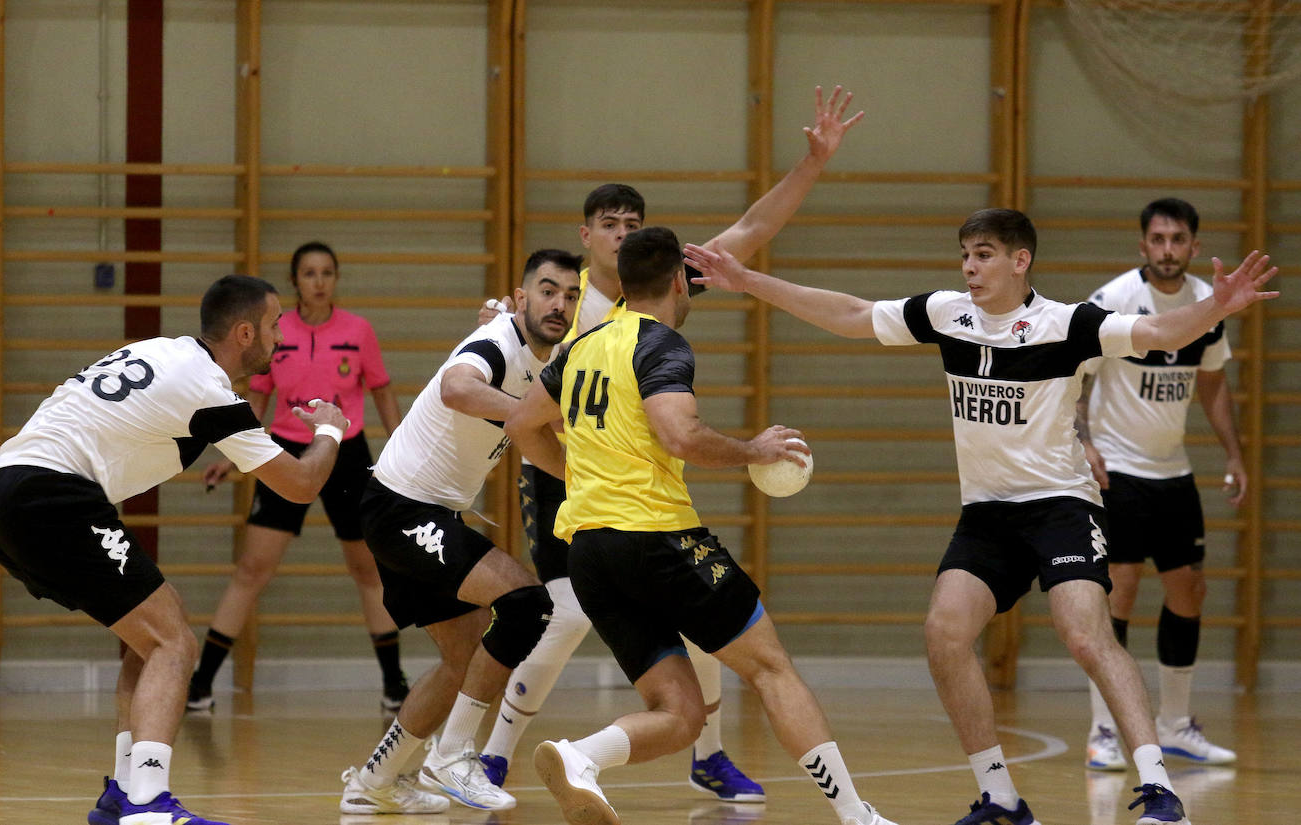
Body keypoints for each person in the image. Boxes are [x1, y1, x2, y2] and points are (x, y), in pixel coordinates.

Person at [682, 208, 1277, 825]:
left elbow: (1157, 332)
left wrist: (1215, 309)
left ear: (1020, 262)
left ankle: (1159, 791)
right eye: (966, 254)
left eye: (985, 253)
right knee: (944, 632)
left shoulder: (1069, 324)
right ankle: (1001, 798)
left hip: (1061, 507)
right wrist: (748, 281)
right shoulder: (948, 314)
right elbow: (853, 314)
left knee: (1085, 633)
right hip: (988, 515)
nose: (970, 266)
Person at [476, 85, 865, 803]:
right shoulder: (561, 302)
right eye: (609, 223)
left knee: (695, 646)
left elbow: (748, 233)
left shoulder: (649, 285)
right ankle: (490, 756)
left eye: (633, 222)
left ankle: (682, 753)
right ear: (586, 235)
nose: (622, 233)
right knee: (567, 619)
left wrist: (811, 165)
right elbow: (511, 397)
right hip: (587, 488)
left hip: (607, 502)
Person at [506, 227, 899, 825]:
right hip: (657, 540)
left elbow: (523, 426)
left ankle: (578, 756)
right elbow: (681, 435)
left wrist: (582, 474)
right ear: (672, 283)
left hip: (590, 554)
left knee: (680, 713)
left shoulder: (579, 348)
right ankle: (857, 815)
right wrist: (756, 450)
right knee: (770, 668)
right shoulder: (661, 344)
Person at [0, 275, 350, 825]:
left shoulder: (161, 352)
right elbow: (299, 485)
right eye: (274, 326)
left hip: (4, 493)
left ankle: (124, 792)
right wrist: (331, 432)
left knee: (150, 632)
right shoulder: (209, 389)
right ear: (245, 332)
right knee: (173, 642)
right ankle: (147, 803)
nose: (281, 336)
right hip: (51, 496)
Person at [336, 249, 582, 815]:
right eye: (547, 290)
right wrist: (525, 414)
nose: (560, 304)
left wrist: (582, 479)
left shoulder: (544, 363)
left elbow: (540, 445)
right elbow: (456, 387)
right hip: (403, 509)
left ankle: (374, 781)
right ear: (520, 298)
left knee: (463, 655)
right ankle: (453, 755)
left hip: (424, 512)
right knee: (526, 603)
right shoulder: (496, 343)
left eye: (569, 295)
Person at [190, 242, 409, 713]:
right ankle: (201, 684)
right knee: (252, 569)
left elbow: (383, 393)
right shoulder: (276, 331)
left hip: (345, 452)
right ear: (295, 281)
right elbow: (257, 400)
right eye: (309, 273)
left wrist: (401, 446)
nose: (319, 281)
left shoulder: (358, 330)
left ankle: (395, 685)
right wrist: (232, 456)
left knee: (367, 569)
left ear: (336, 278)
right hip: (285, 448)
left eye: (327, 272)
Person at [1077, 199, 1241, 771]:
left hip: (1174, 472)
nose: (1167, 249)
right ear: (1142, 246)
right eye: (1158, 239)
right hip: (1119, 472)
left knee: (1188, 591)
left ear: (1194, 246)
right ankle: (1103, 730)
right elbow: (1075, 374)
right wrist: (1085, 443)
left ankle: (1175, 725)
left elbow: (1214, 383)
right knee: (1118, 591)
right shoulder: (1115, 301)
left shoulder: (1207, 302)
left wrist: (1234, 455)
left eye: (1178, 239)